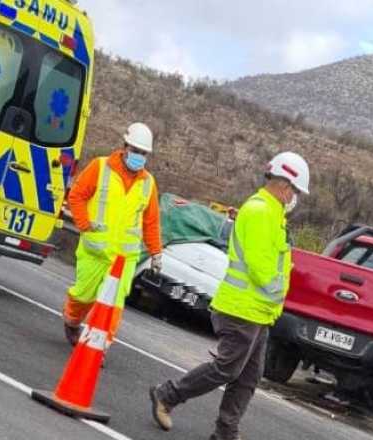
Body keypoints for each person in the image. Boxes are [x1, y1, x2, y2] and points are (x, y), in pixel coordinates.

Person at [148, 152, 310, 440]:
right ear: (285, 186)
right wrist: (279, 291)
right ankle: (167, 395)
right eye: (295, 191)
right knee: (227, 368)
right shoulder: (261, 212)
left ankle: (226, 431)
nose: (294, 198)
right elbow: (261, 268)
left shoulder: (273, 214)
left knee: (248, 376)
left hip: (257, 311)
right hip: (242, 308)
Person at [62, 122, 162, 346]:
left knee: (113, 305)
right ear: (125, 147)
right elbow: (76, 195)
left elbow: (151, 221)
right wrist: (84, 225)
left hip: (124, 259)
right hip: (95, 251)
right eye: (135, 150)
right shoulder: (100, 167)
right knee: (82, 296)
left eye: (143, 153)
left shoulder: (148, 183)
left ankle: (99, 345)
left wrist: (156, 252)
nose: (139, 156)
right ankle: (72, 321)